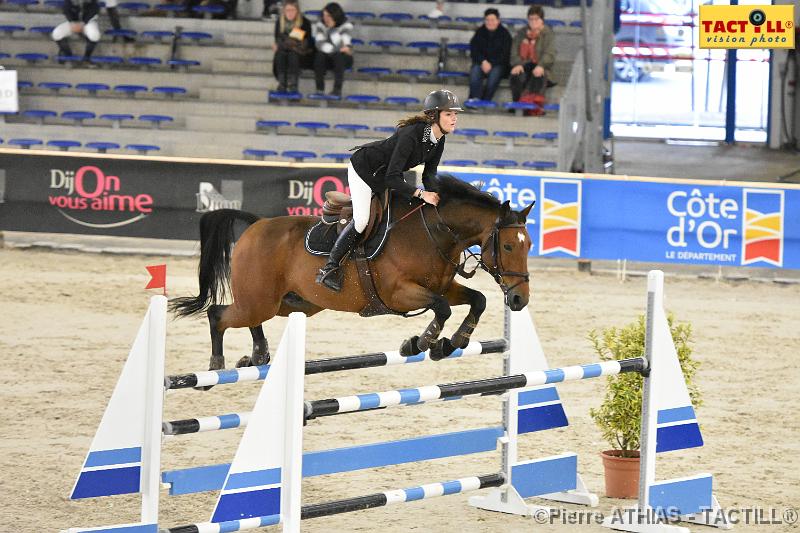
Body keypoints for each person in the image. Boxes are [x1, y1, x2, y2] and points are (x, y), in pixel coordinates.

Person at [316, 89, 461, 292]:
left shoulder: (439, 139)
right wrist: (420, 193)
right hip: (364, 169)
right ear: (434, 116)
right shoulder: (411, 135)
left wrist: (438, 196)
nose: (454, 118)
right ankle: (329, 268)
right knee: (362, 219)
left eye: (455, 114)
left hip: (386, 174)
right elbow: (392, 178)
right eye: (449, 114)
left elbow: (429, 175)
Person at [509, 5, 556, 103]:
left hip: (542, 66)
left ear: (542, 20)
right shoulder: (521, 33)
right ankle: (517, 104)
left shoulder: (548, 34)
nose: (533, 22)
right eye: (531, 19)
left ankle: (533, 105)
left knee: (538, 75)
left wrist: (541, 65)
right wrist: (518, 64)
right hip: (524, 64)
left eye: (536, 19)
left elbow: (550, 54)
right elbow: (514, 52)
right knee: (516, 75)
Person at [468, 8, 512, 102]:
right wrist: (483, 62)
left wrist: (491, 63)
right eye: (487, 20)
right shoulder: (480, 32)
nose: (490, 22)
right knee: (475, 71)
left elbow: (505, 55)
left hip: (499, 65)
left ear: (498, 21)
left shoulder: (505, 34)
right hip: (481, 63)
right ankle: (474, 99)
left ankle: (486, 101)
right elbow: (474, 50)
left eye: (492, 20)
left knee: (494, 76)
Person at [312, 2, 354, 97]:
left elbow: (343, 45)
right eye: (324, 15)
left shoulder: (347, 25)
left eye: (328, 16)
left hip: (343, 58)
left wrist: (332, 30)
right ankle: (319, 89)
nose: (325, 18)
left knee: (338, 56)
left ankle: (337, 90)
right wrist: (336, 49)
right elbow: (319, 44)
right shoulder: (320, 25)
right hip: (327, 57)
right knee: (319, 55)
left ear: (335, 15)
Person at [272, 0, 313, 93]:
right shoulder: (279, 22)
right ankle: (282, 84)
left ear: (297, 11)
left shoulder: (305, 22)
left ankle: (293, 85)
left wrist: (286, 41)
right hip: (284, 50)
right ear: (284, 11)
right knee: (280, 54)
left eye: (292, 10)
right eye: (287, 10)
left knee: (293, 55)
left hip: (300, 52)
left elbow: (307, 42)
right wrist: (286, 42)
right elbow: (278, 39)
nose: (290, 13)